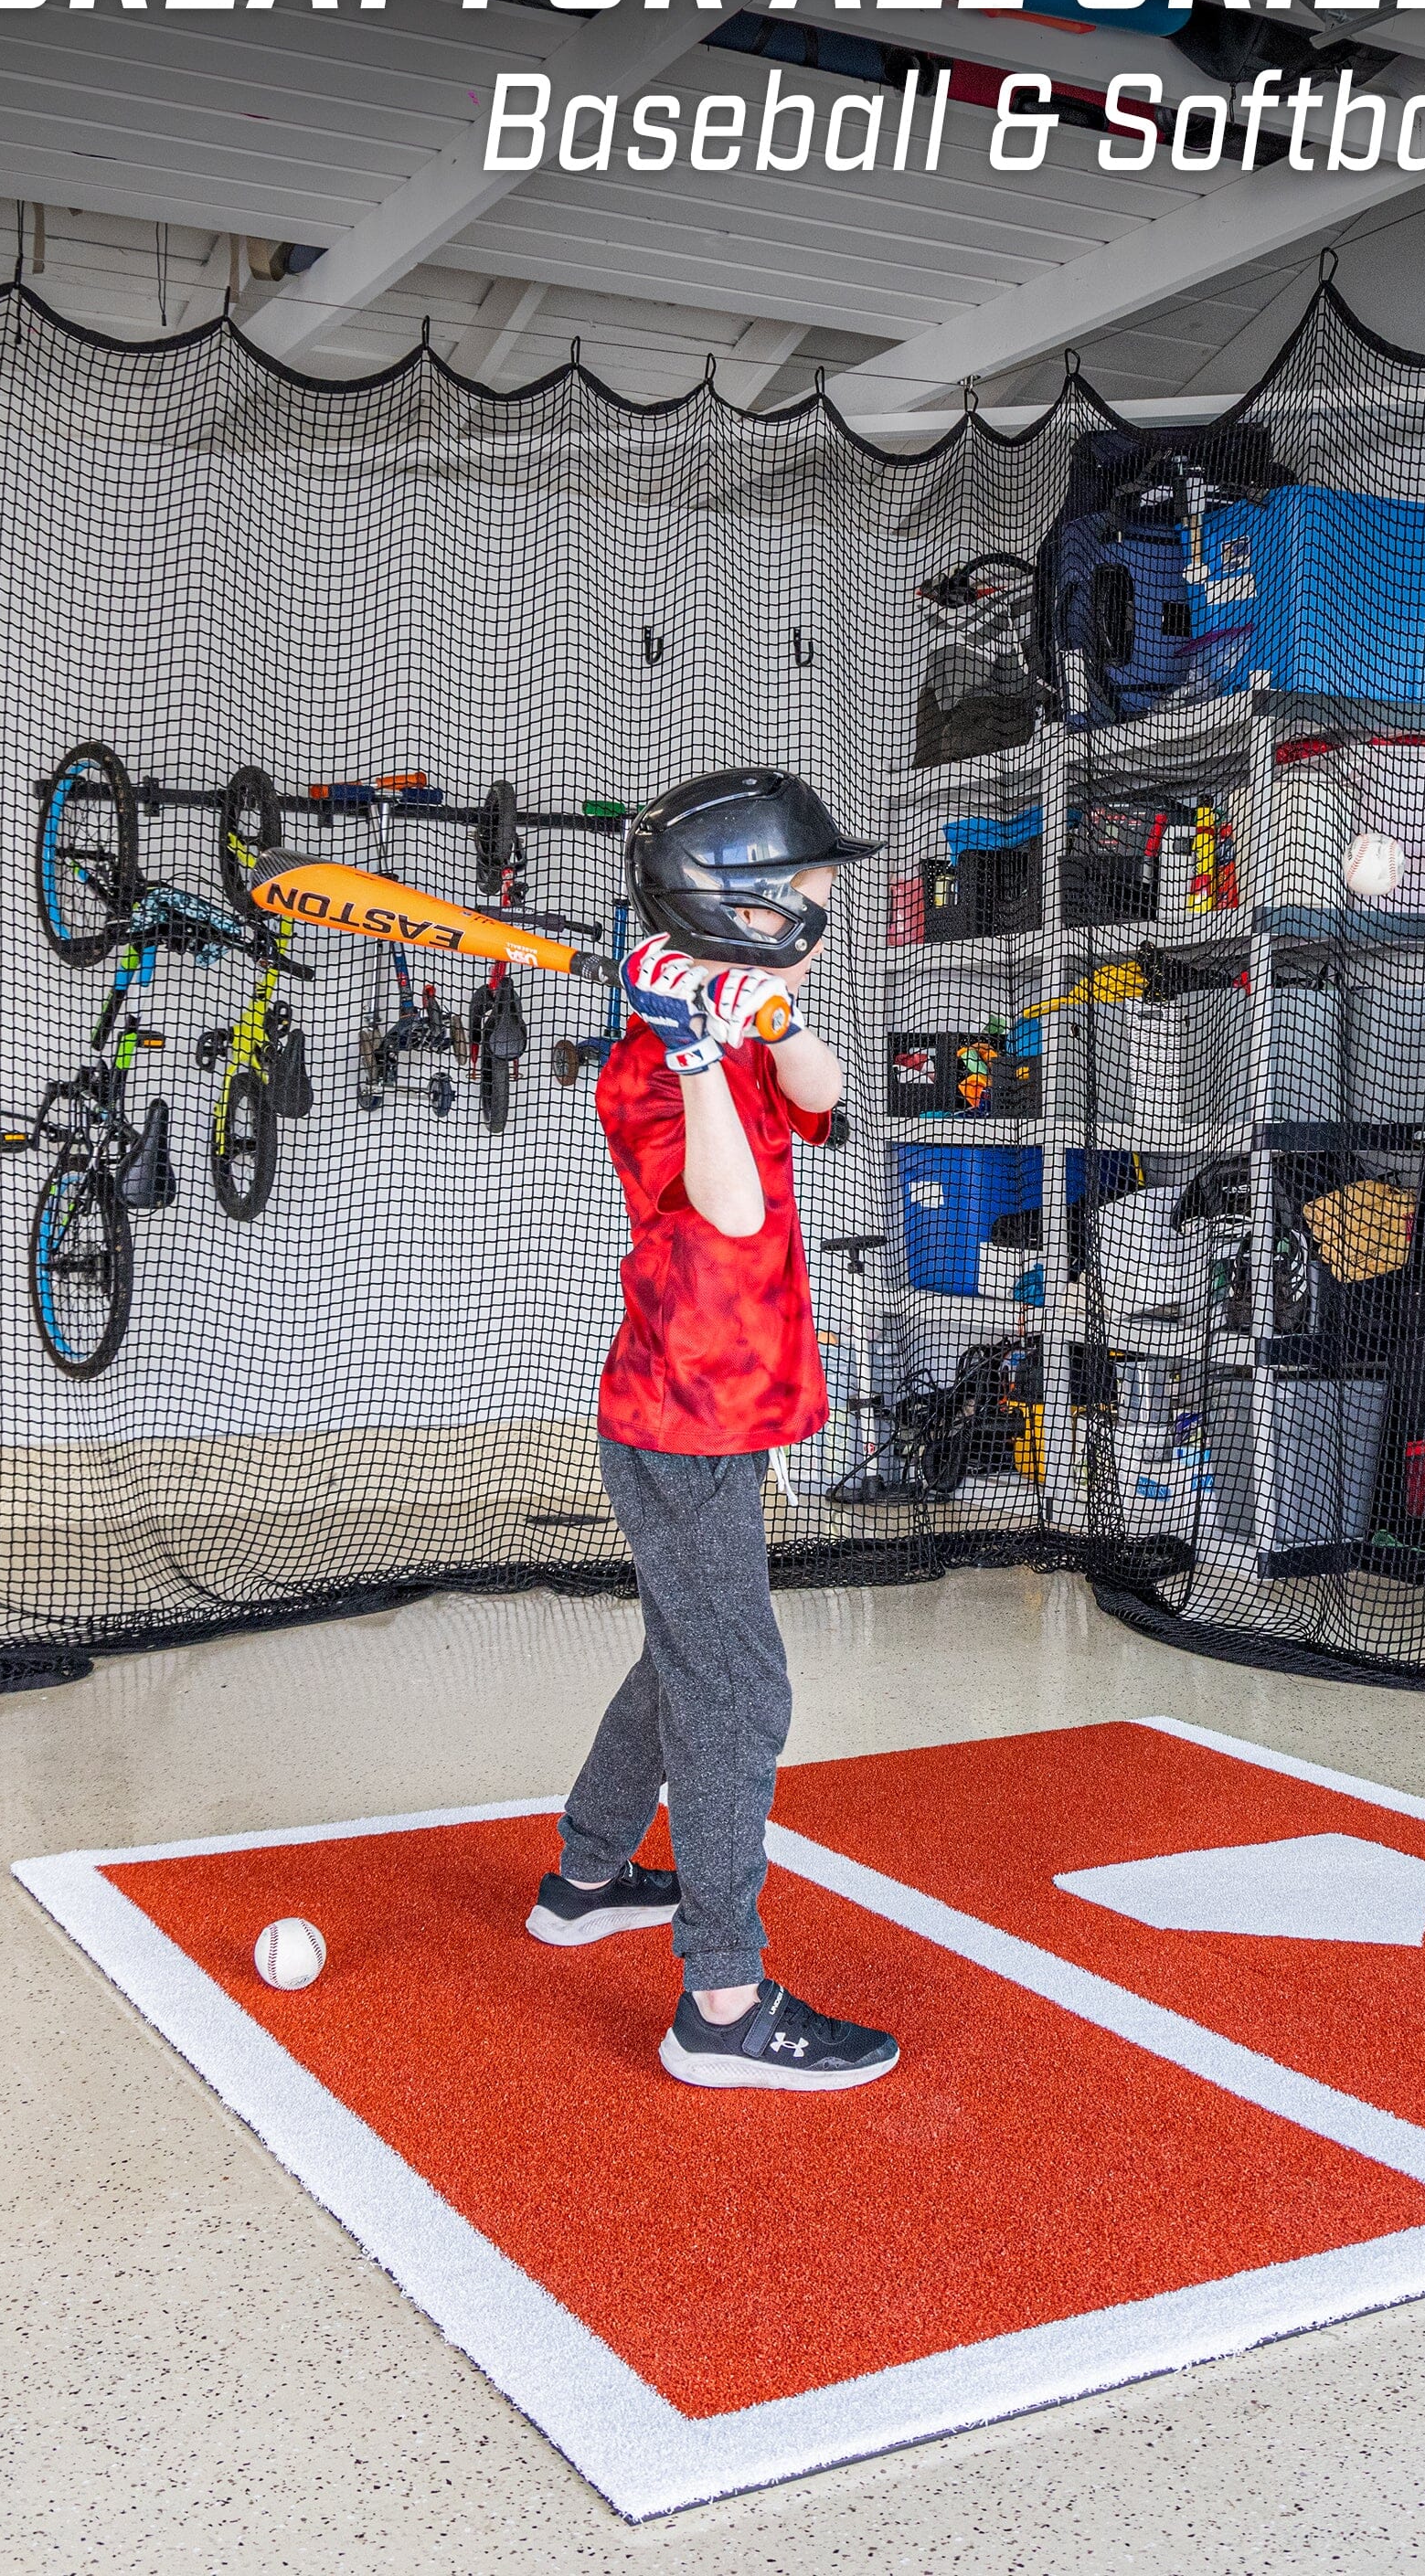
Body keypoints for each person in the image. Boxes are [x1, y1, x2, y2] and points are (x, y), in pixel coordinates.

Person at [522, 766, 901, 2087]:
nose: (827, 895)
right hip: (682, 1422)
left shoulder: (736, 1018)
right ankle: (723, 2007)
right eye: (807, 883)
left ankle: (583, 1872)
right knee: (738, 1688)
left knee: (688, 1646)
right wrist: (690, 1046)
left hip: (726, 1413)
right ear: (737, 903)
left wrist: (766, 1016)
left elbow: (826, 1098)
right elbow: (731, 1209)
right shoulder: (644, 1069)